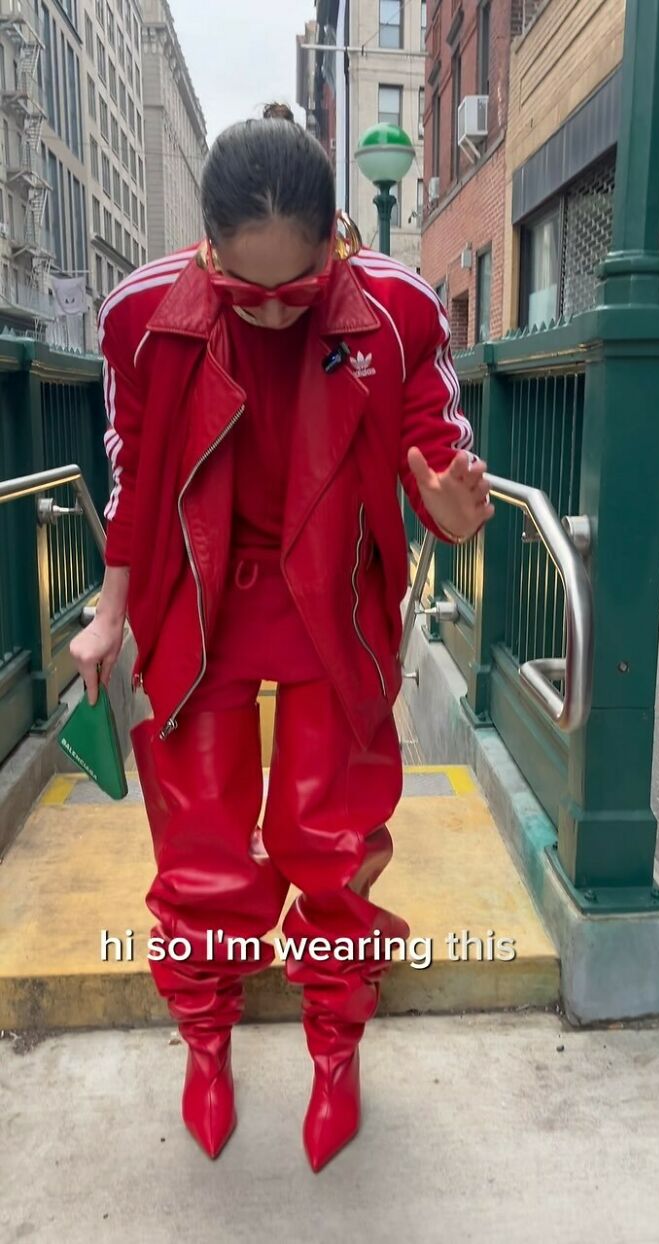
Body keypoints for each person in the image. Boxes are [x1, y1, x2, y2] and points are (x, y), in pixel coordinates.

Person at [70, 102, 494, 1172]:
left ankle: (337, 1048)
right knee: (202, 848)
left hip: (330, 596)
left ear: (336, 239)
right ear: (203, 247)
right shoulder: (141, 312)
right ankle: (205, 1043)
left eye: (294, 291)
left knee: (331, 840)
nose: (266, 313)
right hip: (192, 590)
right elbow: (135, 471)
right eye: (238, 288)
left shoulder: (396, 309)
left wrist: (447, 502)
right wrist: (110, 612)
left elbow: (439, 467)